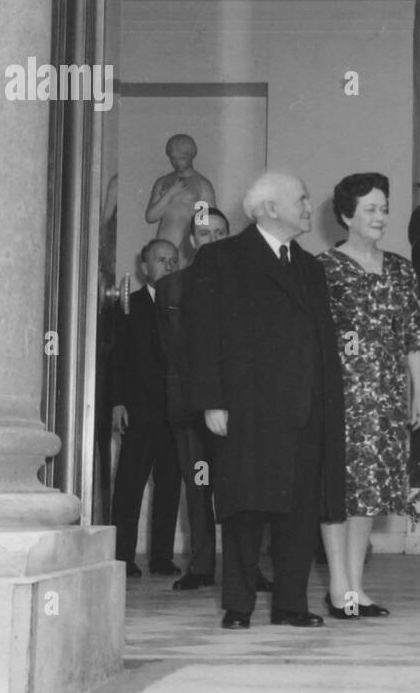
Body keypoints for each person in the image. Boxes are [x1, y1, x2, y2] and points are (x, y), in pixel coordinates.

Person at [186, 171, 346, 629]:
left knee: (297, 511)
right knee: (245, 508)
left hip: (304, 410)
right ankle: (239, 605)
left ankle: (291, 605)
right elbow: (202, 337)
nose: (307, 205)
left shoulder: (310, 267)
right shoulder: (221, 258)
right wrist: (212, 401)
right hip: (247, 408)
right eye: (300, 198)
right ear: (270, 208)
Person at [319, 173, 420, 618]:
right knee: (338, 491)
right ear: (347, 215)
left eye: (384, 208)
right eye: (371, 209)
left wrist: (418, 392)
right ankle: (338, 585)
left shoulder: (402, 268)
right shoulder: (324, 268)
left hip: (386, 396)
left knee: (369, 491)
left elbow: (413, 335)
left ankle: (357, 587)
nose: (381, 216)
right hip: (340, 394)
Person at [155, 206, 230, 592]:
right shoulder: (171, 288)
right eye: (205, 234)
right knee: (198, 485)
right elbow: (170, 352)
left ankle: (245, 568)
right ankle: (201, 566)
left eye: (220, 234)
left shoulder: (247, 286)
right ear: (192, 240)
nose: (212, 241)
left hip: (237, 409)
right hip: (188, 408)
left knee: (239, 488)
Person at [111, 238, 182, 577]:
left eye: (173, 261)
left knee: (169, 485)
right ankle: (124, 556)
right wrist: (117, 402)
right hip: (138, 411)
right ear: (144, 266)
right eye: (160, 260)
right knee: (130, 484)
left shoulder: (185, 306)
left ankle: (162, 557)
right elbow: (116, 359)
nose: (167, 266)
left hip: (177, 413)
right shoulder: (127, 306)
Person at [145, 133, 217, 265]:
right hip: (163, 245)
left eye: (182, 158)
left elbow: (204, 222)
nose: (177, 163)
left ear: (191, 157)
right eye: (173, 159)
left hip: (186, 248)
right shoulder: (163, 182)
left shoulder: (202, 184)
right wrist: (171, 193)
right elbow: (151, 217)